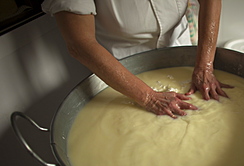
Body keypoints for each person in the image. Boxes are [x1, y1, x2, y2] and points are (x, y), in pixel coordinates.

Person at [42, 0, 232, 118]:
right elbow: (80, 44)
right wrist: (149, 98)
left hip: (182, 51)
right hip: (122, 72)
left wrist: (205, 65)